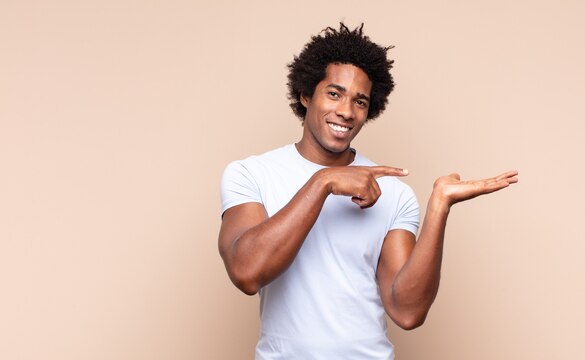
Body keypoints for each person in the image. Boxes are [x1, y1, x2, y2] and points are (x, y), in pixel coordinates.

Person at [219, 23, 518, 359]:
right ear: (305, 95)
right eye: (334, 93)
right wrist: (323, 182)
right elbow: (246, 273)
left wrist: (438, 207)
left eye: (359, 101)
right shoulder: (251, 174)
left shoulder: (393, 193)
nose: (346, 111)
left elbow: (407, 312)